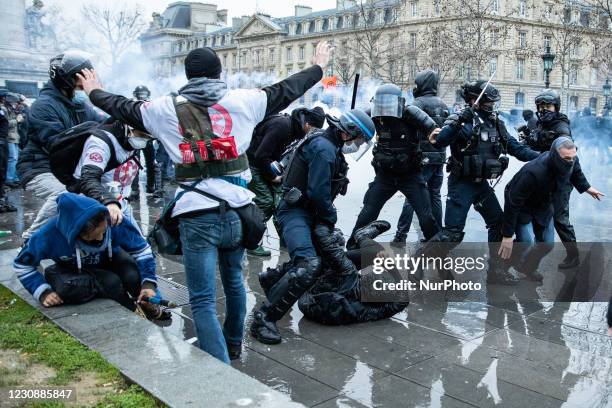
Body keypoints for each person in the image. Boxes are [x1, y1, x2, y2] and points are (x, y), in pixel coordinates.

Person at [77, 42, 333, 363]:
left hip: (196, 215)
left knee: (201, 299)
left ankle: (218, 366)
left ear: (187, 75)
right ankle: (234, 345)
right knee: (236, 284)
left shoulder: (162, 109)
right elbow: (287, 89)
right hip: (239, 211)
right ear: (218, 73)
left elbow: (121, 106)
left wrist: (94, 90)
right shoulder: (246, 100)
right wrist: (318, 67)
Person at [250, 108, 376, 345]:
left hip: (308, 212)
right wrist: (329, 221)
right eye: (359, 140)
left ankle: (273, 279)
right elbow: (319, 193)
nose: (358, 145)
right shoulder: (324, 149)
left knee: (320, 260)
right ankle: (264, 318)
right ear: (349, 133)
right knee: (309, 264)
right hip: (296, 213)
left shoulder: (330, 146)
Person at [429, 80, 540, 285]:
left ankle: (495, 272)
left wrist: (542, 156)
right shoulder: (461, 119)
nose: (491, 105)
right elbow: (440, 141)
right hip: (461, 184)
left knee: (499, 224)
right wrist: (459, 122)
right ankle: (420, 261)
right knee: (452, 235)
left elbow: (515, 148)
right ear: (475, 100)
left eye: (493, 102)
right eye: (488, 101)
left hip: (481, 186)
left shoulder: (496, 122)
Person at [13, 193, 167, 319]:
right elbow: (22, 265)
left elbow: (142, 251)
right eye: (93, 236)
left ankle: (149, 304)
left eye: (104, 231)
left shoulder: (114, 221)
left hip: (111, 258)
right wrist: (42, 292)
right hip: (74, 267)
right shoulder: (48, 235)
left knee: (133, 275)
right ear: (74, 234)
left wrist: (149, 285)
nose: (100, 238)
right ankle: (131, 310)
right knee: (110, 283)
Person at [17, 51, 103, 240]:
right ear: (67, 78)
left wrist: (101, 98)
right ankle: (31, 238)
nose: (87, 80)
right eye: (82, 76)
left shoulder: (80, 104)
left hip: (65, 168)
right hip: (38, 167)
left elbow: (104, 124)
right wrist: (89, 129)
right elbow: (57, 145)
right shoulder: (43, 105)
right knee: (63, 196)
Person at [347, 83, 441, 249]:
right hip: (385, 176)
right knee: (367, 213)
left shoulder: (410, 112)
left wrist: (434, 135)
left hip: (410, 175)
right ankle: (351, 250)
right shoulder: (374, 114)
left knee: (426, 218)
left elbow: (433, 129)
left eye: (388, 105)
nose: (384, 109)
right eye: (381, 105)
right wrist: (350, 127)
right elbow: (355, 130)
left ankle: (439, 254)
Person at [499, 138, 603, 280]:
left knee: (547, 244)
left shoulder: (571, 159)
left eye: (573, 157)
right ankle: (501, 268)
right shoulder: (533, 171)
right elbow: (513, 201)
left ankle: (527, 268)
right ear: (555, 155)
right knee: (525, 242)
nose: (571, 161)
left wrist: (587, 188)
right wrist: (507, 235)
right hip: (523, 206)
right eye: (566, 158)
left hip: (544, 205)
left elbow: (576, 171)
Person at [522, 90, 591, 269]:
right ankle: (531, 259)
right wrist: (527, 140)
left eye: (548, 106)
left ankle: (573, 255)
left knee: (560, 218)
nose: (544, 110)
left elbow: (571, 156)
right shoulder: (540, 124)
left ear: (556, 107)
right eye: (541, 106)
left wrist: (584, 185)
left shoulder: (561, 127)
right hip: (544, 178)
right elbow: (536, 145)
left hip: (561, 180)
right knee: (537, 215)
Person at [245, 106, 326, 256]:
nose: (314, 134)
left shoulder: (298, 130)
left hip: (270, 165)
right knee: (266, 201)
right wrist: (273, 177)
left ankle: (287, 239)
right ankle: (251, 241)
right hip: (253, 164)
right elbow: (261, 155)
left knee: (282, 202)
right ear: (308, 124)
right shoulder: (282, 126)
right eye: (314, 129)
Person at [392, 70, 449, 245]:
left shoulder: (417, 103)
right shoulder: (444, 105)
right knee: (435, 196)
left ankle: (401, 235)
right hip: (439, 157)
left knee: (412, 196)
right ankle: (436, 234)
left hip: (421, 158)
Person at [72, 119, 147, 227]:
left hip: (121, 205)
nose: (144, 140)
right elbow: (88, 178)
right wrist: (109, 201)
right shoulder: (100, 143)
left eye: (148, 137)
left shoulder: (130, 142)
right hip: (96, 205)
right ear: (127, 127)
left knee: (139, 242)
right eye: (141, 135)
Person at [129, 85, 162, 200]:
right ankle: (137, 189)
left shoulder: (149, 106)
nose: (142, 96)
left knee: (149, 163)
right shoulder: (133, 106)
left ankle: (146, 188)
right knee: (138, 164)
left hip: (147, 138)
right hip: (138, 138)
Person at [0, 89, 17, 212]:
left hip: (4, 140)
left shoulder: (5, 108)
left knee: (2, 171)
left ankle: (2, 199)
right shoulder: (3, 109)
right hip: (2, 140)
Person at [3, 93, 22, 188]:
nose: (16, 103)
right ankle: (9, 179)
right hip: (9, 137)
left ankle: (15, 178)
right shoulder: (4, 109)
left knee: (16, 158)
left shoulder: (10, 109)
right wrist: (17, 121)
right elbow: (5, 123)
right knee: (12, 158)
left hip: (14, 137)